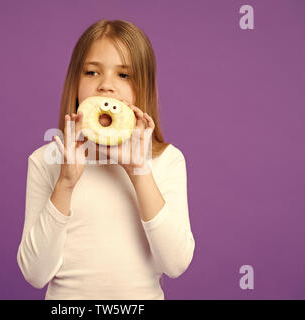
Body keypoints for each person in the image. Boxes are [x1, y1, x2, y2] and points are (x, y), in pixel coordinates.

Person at [17, 19, 195, 300]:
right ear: (75, 83)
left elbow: (175, 264)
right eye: (91, 72)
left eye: (124, 75)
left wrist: (139, 170)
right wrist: (65, 182)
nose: (106, 86)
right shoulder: (48, 160)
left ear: (143, 87)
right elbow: (35, 273)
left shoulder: (166, 161)